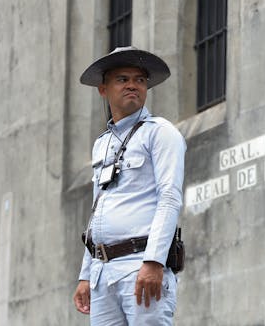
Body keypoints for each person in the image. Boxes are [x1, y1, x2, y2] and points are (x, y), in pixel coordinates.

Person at [72, 46, 186, 325]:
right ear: (104, 89)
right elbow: (97, 211)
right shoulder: (103, 143)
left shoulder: (160, 133)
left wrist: (154, 262)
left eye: (140, 79)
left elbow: (169, 198)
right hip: (102, 272)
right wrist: (86, 274)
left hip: (140, 265)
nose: (133, 85)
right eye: (123, 79)